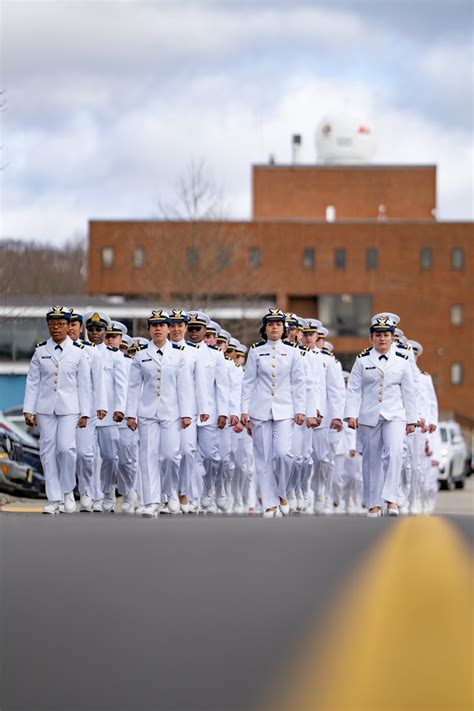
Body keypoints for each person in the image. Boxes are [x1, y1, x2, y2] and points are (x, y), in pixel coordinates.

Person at [344, 313, 418, 517]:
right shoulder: (362, 360)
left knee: (395, 453)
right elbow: (354, 389)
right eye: (377, 335)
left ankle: (391, 499)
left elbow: (409, 392)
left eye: (386, 334)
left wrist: (412, 419)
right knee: (371, 459)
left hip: (395, 415)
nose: (382, 338)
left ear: (392, 337)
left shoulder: (402, 360)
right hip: (369, 415)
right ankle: (373, 503)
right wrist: (351, 414)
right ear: (371, 338)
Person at [23, 306, 91, 514]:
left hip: (70, 408)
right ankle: (54, 499)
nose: (56, 328)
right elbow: (33, 382)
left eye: (60, 324)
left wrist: (85, 412)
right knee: (47, 451)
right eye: (52, 325)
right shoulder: (41, 351)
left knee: (66, 449)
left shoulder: (79, 353)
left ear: (69, 326)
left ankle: (68, 490)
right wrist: (28, 409)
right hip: (45, 408)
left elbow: (84, 385)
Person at [126, 309, 193, 518]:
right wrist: (130, 414)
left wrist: (186, 413)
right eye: (154, 326)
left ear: (168, 329)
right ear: (149, 329)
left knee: (170, 456)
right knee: (148, 457)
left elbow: (184, 387)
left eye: (162, 325)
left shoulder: (179, 355)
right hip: (147, 412)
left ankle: (170, 489)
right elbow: (133, 386)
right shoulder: (141, 355)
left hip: (171, 412)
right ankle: (151, 501)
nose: (158, 329)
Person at [241, 308, 306, 517]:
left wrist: (301, 410)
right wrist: (244, 410)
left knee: (284, 454)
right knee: (263, 458)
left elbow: (298, 383)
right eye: (270, 324)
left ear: (284, 328)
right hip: (260, 409)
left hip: (285, 409)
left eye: (278, 324)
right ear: (265, 329)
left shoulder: (293, 351)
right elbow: (248, 382)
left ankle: (282, 492)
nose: (274, 327)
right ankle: (269, 503)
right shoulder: (256, 351)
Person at [85, 311, 128, 512]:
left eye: (99, 329)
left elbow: (121, 386)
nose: (94, 333)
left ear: (105, 330)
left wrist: (120, 409)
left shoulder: (115, 356)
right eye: (91, 329)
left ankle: (108, 490)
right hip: (85, 412)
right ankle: (92, 495)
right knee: (88, 456)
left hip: (109, 415)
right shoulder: (80, 352)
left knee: (110, 457)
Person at [168, 308, 210, 513]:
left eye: (180, 325)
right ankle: (169, 493)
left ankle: (184, 491)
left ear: (185, 328)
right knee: (166, 454)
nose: (176, 329)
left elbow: (200, 382)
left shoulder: (194, 352)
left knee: (186, 452)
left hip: (188, 412)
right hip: (164, 410)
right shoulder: (160, 349)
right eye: (172, 325)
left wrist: (203, 408)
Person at [68, 309, 108, 512]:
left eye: (74, 325)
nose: (70, 329)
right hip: (64, 408)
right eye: (68, 325)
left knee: (86, 454)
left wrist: (101, 406)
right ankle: (65, 494)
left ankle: (88, 491)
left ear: (79, 328)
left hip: (87, 409)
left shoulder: (90, 351)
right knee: (65, 452)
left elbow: (99, 382)